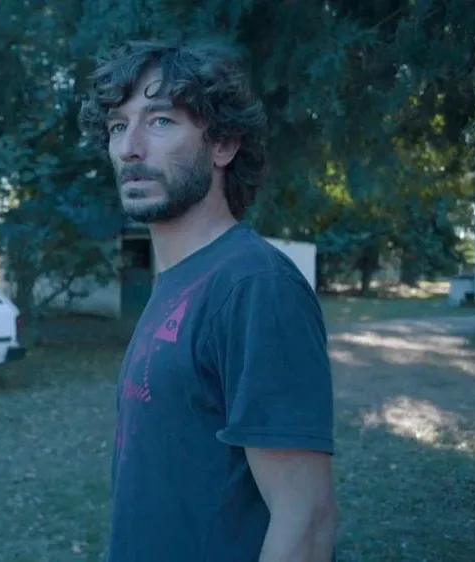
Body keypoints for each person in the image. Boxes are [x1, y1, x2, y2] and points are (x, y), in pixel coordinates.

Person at [78, 39, 338, 561]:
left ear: (223, 145)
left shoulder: (255, 286)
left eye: (160, 122)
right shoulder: (178, 281)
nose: (130, 148)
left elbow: (305, 521)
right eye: (117, 126)